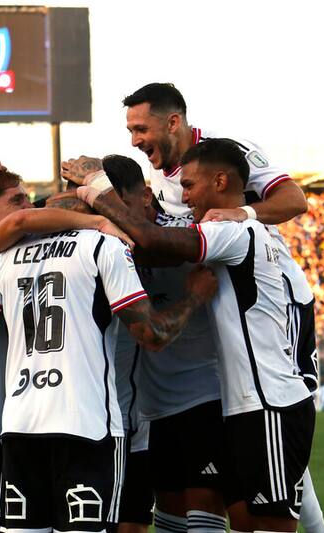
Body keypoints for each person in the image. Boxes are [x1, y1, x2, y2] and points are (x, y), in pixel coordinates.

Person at [64, 82, 324, 533]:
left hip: (248, 371)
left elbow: (293, 200)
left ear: (173, 122)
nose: (135, 140)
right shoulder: (171, 190)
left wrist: (243, 214)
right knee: (240, 502)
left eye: (141, 128)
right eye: (129, 131)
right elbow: (155, 244)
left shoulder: (224, 166)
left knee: (263, 506)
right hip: (199, 387)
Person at [0, 222, 218, 533]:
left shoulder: (7, 257)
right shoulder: (104, 246)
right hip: (84, 426)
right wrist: (194, 297)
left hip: (20, 426)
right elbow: (152, 334)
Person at [0, 160, 133, 533]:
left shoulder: (15, 252)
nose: (29, 206)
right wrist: (97, 221)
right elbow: (21, 222)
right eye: (17, 199)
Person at [100, 155, 227, 533]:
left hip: (202, 396)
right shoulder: (104, 241)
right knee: (163, 516)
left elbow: (163, 247)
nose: (112, 216)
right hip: (148, 409)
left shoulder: (185, 232)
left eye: (117, 205)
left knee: (203, 510)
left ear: (144, 195)